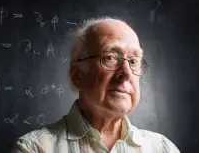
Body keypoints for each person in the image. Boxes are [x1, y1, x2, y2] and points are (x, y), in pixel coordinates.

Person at [12, 17, 180, 153]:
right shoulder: (35, 149)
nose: (126, 73)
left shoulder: (162, 148)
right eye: (110, 58)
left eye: (134, 61)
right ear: (77, 75)